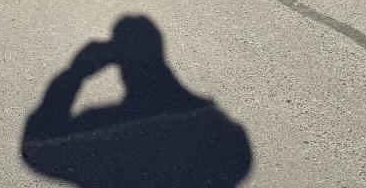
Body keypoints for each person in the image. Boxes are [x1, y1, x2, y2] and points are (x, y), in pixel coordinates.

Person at [21, 15, 251, 188]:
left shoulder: (104, 130)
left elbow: (37, 148)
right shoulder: (219, 131)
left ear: (121, 68)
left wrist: (74, 74)